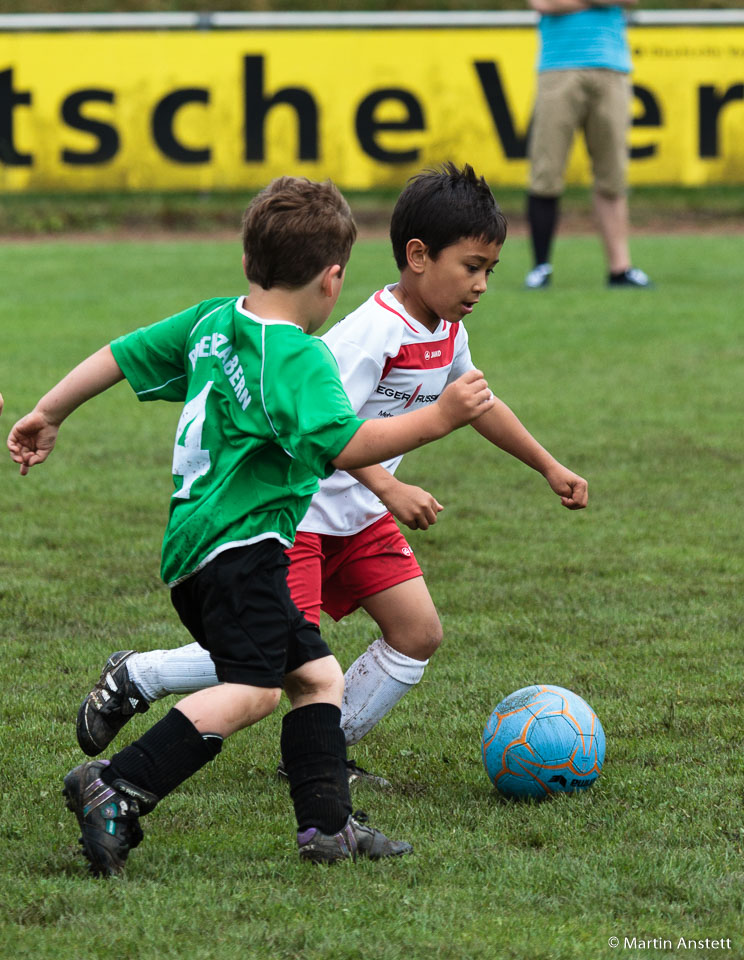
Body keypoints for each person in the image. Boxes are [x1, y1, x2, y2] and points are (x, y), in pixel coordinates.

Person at [7, 175, 496, 877]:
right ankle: (115, 785)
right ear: (333, 281)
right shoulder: (297, 358)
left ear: (248, 262)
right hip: (241, 553)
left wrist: (47, 412)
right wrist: (441, 417)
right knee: (256, 690)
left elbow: (120, 354)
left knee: (318, 676)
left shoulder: (214, 322)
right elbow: (348, 445)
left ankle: (328, 828)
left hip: (197, 552)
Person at [72, 163, 588, 791]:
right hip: (301, 515)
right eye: (472, 266)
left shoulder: (447, 326)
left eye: (489, 270)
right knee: (280, 652)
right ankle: (140, 676)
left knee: (417, 633)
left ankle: (321, 746)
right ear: (419, 257)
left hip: (360, 516)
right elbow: (328, 438)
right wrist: (390, 485)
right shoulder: (370, 333)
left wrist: (547, 465)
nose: (481, 284)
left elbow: (477, 400)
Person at [524, 0, 653, 290]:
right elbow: (543, 3)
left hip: (611, 68)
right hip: (558, 67)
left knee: (613, 174)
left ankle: (620, 268)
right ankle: (540, 267)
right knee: (546, 171)